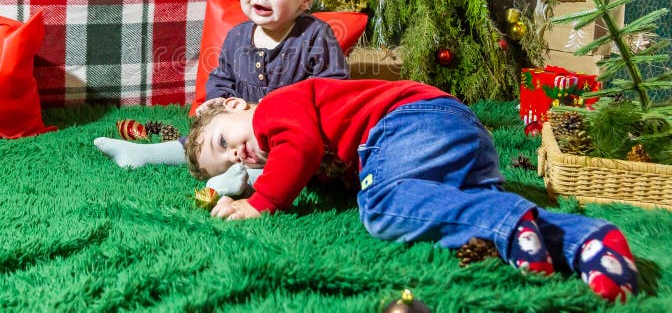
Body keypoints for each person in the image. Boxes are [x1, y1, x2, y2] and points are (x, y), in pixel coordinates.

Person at [184, 78, 639, 303]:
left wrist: (261, 200)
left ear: (235, 105)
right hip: (452, 141)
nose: (235, 156)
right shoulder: (277, 147)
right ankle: (587, 240)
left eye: (224, 141)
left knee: (381, 204)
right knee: (454, 206)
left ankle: (503, 220)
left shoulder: (275, 109)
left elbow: (300, 146)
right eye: (223, 162)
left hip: (410, 121)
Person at [94, 0, 350, 192]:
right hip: (241, 138)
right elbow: (222, 77)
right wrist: (217, 101)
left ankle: (243, 183)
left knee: (296, 165)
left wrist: (283, 107)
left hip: (293, 136)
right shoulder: (237, 37)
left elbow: (334, 89)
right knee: (206, 142)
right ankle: (144, 154)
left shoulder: (315, 36)